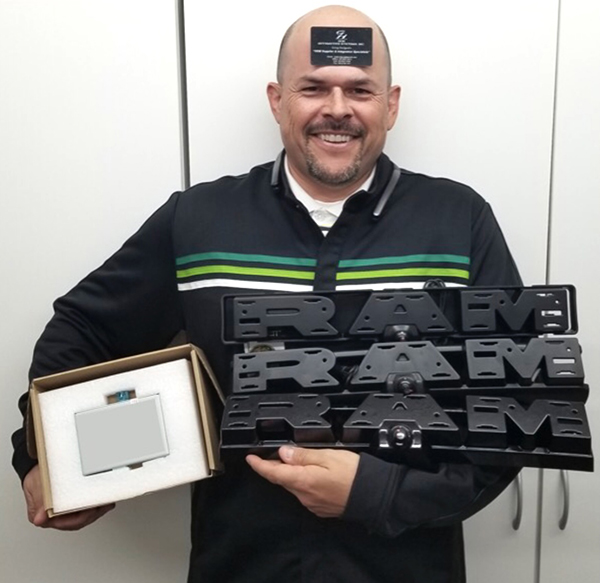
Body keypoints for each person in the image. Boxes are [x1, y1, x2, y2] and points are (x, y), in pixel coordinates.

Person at [11, 5, 522, 582]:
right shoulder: (200, 221)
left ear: (391, 104)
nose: (337, 108)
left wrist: (379, 493)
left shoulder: (459, 222)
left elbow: (514, 404)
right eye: (314, 87)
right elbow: (85, 329)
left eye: (360, 89)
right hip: (240, 567)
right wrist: (44, 458)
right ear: (278, 100)